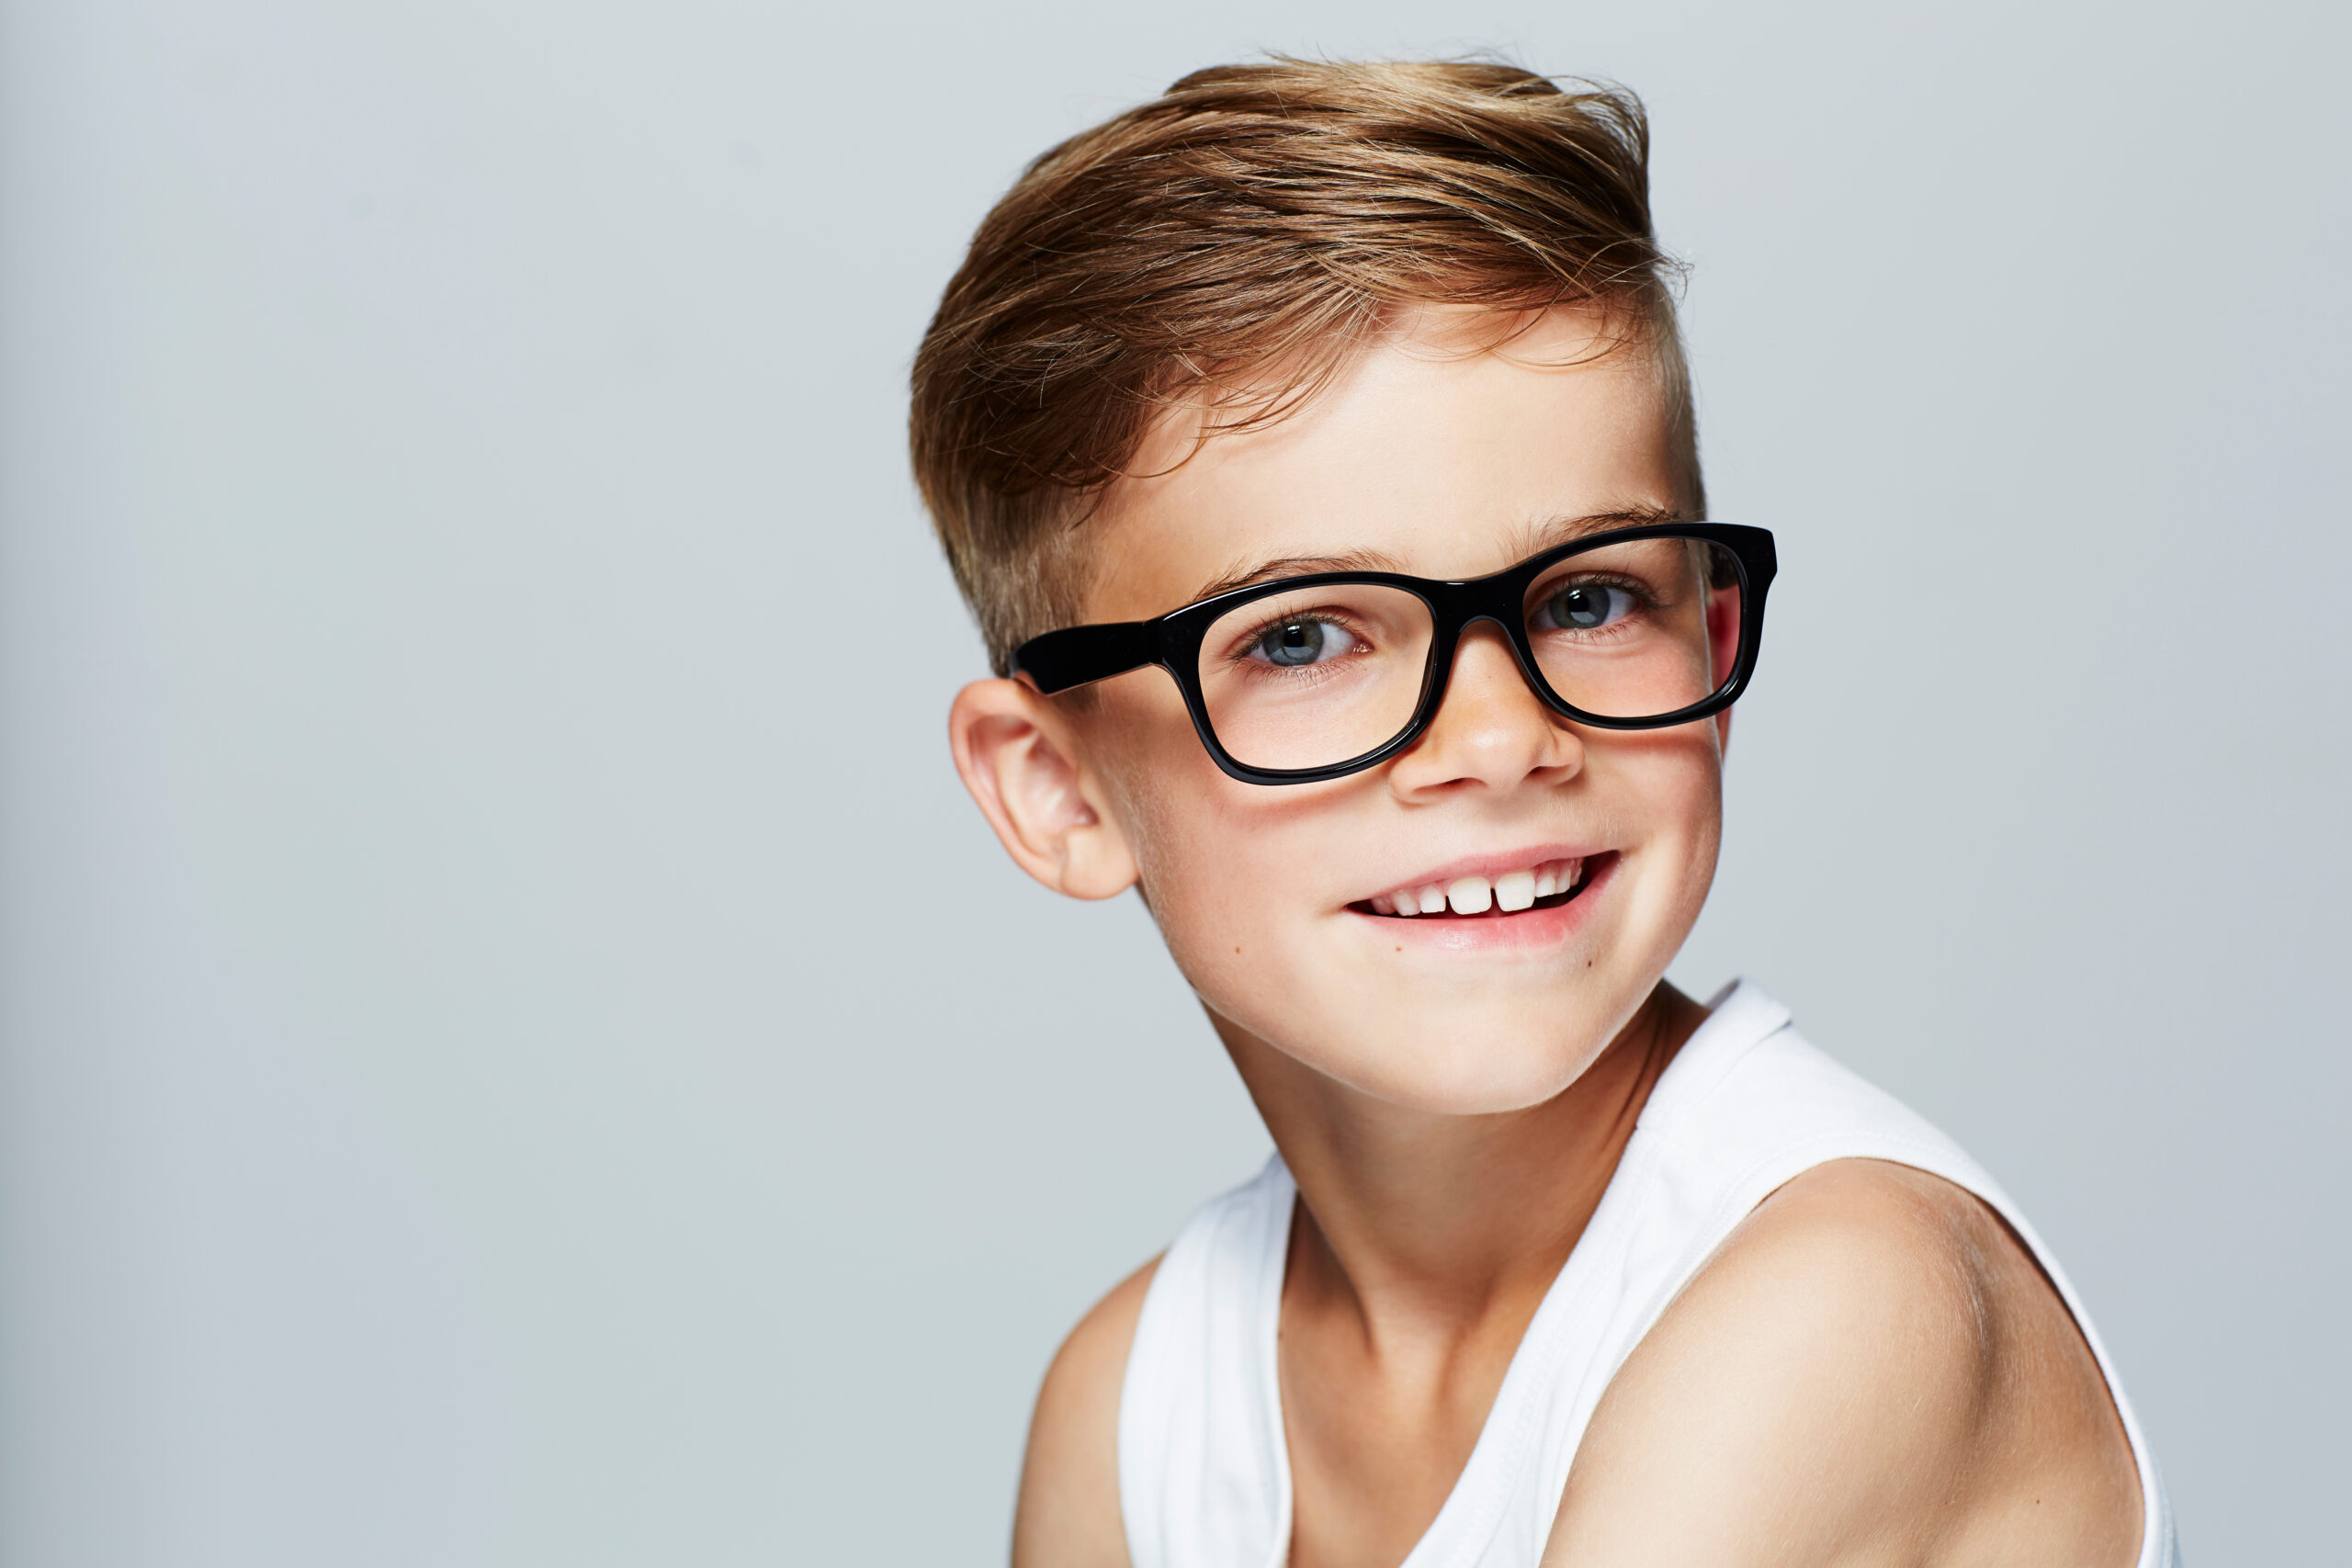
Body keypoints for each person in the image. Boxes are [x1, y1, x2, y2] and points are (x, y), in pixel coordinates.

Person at [910, 58, 2177, 1568]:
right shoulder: (1133, 1416)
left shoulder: (1835, 1304)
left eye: (1586, 599)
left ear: (1711, 646)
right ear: (1056, 789)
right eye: (1304, 636)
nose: (1503, 737)